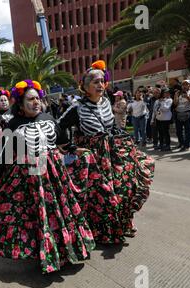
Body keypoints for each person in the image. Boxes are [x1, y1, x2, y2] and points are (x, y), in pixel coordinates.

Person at [0, 80, 95, 274]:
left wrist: (75, 150)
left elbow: (62, 143)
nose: (36, 102)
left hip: (55, 175)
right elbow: (3, 155)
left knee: (60, 212)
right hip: (31, 179)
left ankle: (66, 248)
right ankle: (46, 253)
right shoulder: (13, 125)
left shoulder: (48, 118)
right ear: (20, 104)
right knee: (39, 216)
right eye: (30, 99)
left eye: (37, 98)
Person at [59, 60, 155, 241]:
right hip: (93, 159)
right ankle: (102, 231)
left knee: (124, 186)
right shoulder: (77, 107)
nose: (100, 84)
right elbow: (58, 127)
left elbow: (110, 126)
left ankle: (124, 223)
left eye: (102, 81)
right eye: (95, 82)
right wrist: (71, 148)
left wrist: (121, 136)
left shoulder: (106, 102)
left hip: (111, 153)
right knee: (101, 195)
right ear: (85, 87)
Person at [174, 80, 190, 151]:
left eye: (186, 84)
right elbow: (175, 103)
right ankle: (181, 143)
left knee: (188, 131)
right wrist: (176, 96)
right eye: (183, 84)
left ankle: (186, 146)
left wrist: (187, 97)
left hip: (188, 113)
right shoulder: (178, 93)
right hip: (178, 113)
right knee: (178, 131)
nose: (184, 86)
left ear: (189, 85)